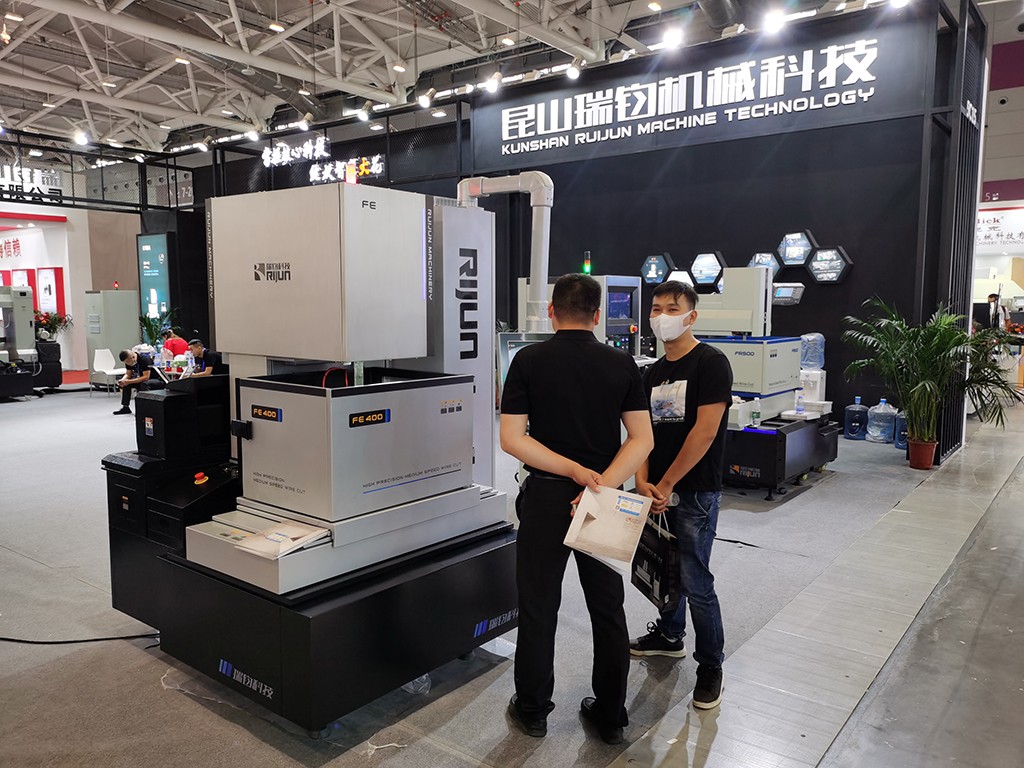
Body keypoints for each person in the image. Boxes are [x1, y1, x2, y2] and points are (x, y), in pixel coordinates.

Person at [499, 273, 654, 746]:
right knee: (607, 607)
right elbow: (641, 439)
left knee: (539, 604)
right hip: (603, 498)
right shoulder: (622, 363)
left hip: (547, 496)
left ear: (551, 311)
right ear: (598, 314)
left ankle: (532, 710)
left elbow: (512, 439)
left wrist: (570, 471)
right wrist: (599, 482)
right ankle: (610, 714)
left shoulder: (527, 360)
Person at [629, 280, 733, 711]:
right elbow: (640, 433)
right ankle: (670, 635)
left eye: (672, 309)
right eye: (656, 309)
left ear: (691, 316)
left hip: (693, 491)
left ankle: (710, 665)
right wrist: (642, 480)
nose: (662, 316)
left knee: (695, 579)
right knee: (663, 566)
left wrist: (668, 483)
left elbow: (705, 432)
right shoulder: (651, 372)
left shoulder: (711, 363)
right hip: (655, 489)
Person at [113, 349, 153, 415]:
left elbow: (146, 377)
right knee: (126, 384)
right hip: (140, 378)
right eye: (125, 363)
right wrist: (123, 380)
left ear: (133, 357)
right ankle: (125, 407)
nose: (127, 364)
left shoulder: (144, 360)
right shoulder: (129, 361)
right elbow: (128, 374)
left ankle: (143, 409)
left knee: (143, 384)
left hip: (152, 379)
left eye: (127, 362)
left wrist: (129, 381)